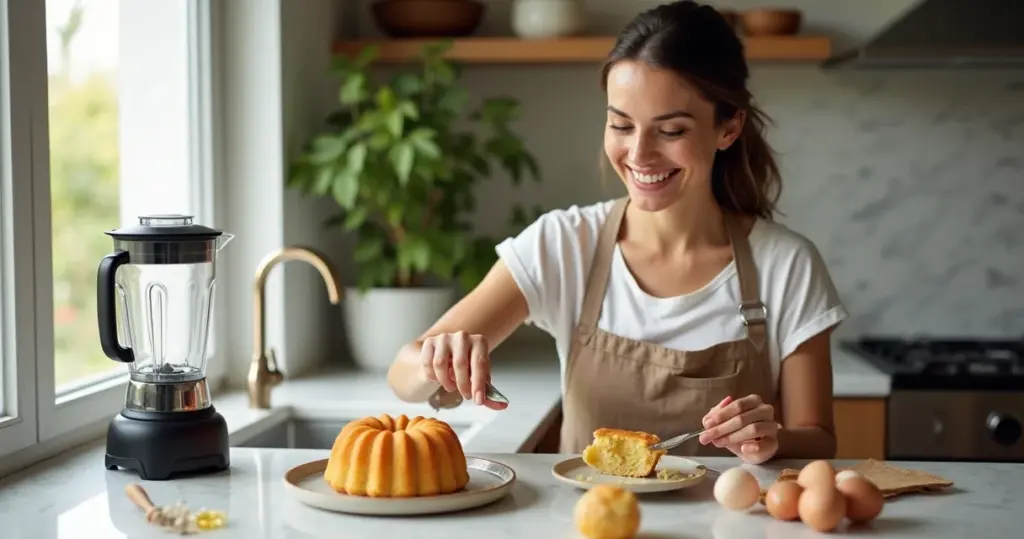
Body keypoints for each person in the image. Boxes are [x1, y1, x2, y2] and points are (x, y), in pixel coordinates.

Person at [387, 0, 847, 465]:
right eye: (621, 125)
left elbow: (819, 438)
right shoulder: (562, 245)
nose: (640, 154)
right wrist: (436, 361)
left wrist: (773, 439)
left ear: (728, 128)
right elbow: (403, 377)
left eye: (670, 131)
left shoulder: (786, 264)